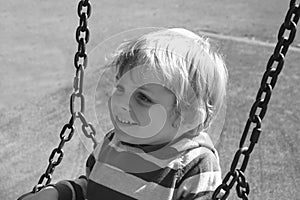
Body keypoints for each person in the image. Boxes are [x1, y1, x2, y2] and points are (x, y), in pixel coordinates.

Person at [23, 27, 228, 200]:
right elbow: (92, 186)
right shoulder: (114, 142)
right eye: (120, 88)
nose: (121, 103)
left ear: (189, 116)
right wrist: (57, 193)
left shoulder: (195, 166)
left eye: (143, 97)